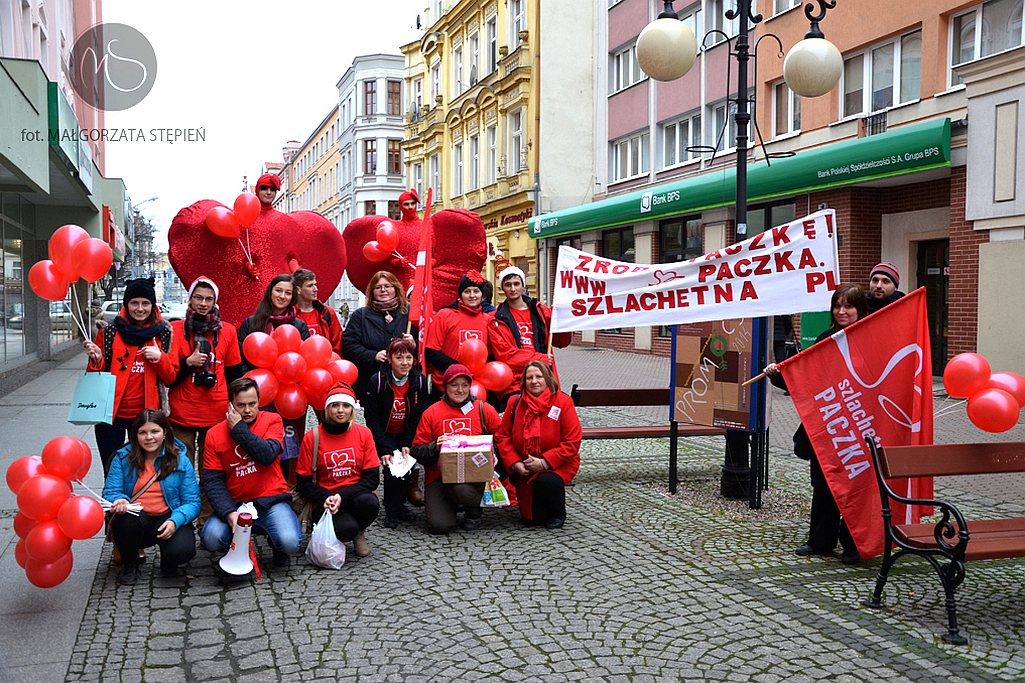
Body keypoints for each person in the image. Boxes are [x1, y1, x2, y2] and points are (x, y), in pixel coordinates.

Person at [764, 283, 867, 565]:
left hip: (859, 426)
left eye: (849, 306)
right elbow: (806, 377)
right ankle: (821, 541)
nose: (842, 311)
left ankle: (854, 543)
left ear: (860, 309)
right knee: (823, 483)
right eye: (838, 306)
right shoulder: (827, 338)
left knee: (856, 485)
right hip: (828, 424)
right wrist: (778, 374)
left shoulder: (869, 338)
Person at [201, 378, 301, 567]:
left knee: (289, 542)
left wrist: (239, 429)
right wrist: (229, 513)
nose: (247, 410)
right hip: (236, 503)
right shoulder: (214, 434)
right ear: (230, 404)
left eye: (252, 404)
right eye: (241, 405)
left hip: (270, 500)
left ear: (259, 401)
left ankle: (277, 547)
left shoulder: (273, 420)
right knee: (211, 538)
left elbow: (267, 455)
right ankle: (232, 548)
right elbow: (212, 481)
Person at [83, 278, 177, 474]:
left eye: (145, 303)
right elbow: (93, 377)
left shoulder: (164, 333)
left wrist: (159, 359)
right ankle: (114, 504)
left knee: (145, 472)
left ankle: (141, 505)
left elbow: (170, 377)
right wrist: (97, 359)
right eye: (134, 303)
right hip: (111, 416)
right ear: (126, 305)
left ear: (153, 305)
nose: (140, 308)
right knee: (112, 471)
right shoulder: (108, 332)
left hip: (146, 418)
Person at [102, 409, 200, 585]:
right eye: (143, 432)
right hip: (137, 517)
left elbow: (192, 502)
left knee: (183, 550)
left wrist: (175, 520)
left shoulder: (180, 459)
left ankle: (169, 564)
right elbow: (110, 492)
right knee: (125, 521)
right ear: (135, 435)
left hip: (168, 516)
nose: (149, 437)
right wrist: (120, 499)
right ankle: (130, 565)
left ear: (165, 433)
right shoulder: (123, 458)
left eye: (154, 431)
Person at [411, 364, 501, 534]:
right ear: (445, 387)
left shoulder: (484, 409)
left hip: (474, 477)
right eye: (454, 385)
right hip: (439, 478)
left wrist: (494, 453)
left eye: (465, 385)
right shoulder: (432, 412)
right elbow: (416, 450)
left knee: (461, 489)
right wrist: (434, 446)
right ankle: (450, 505)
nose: (460, 390)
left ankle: (473, 511)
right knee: (439, 526)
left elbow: (502, 439)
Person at [237, 274, 311, 480]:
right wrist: (251, 385)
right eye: (279, 290)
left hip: (289, 395)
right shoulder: (251, 323)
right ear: (270, 292)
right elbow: (240, 359)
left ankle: (286, 486)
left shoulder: (298, 326)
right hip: (257, 394)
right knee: (258, 442)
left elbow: (304, 360)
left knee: (288, 444)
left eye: (288, 292)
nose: (282, 296)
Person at [296, 383, 380, 558]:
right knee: (346, 529)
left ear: (352, 410)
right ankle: (345, 530)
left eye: (346, 406)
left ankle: (360, 532)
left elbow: (372, 479)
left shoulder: (363, 434)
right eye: (335, 405)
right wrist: (326, 497)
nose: (340, 410)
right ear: (327, 409)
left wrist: (342, 495)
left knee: (370, 503)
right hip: (325, 501)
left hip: (354, 495)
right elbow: (303, 482)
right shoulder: (312, 437)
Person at [495, 361, 581, 529]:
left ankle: (558, 512)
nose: (534, 381)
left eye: (539, 377)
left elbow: (572, 441)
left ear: (548, 379)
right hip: (524, 467)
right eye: (529, 377)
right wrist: (515, 463)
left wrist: (543, 463)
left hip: (557, 465)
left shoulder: (563, 402)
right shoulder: (515, 402)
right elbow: (502, 436)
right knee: (533, 520)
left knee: (547, 481)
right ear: (524, 381)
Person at [168, 277, 242, 471]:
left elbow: (234, 374)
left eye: (208, 299)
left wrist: (236, 407)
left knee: (212, 470)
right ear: (190, 299)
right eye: (198, 298)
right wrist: (189, 363)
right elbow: (168, 376)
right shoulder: (175, 330)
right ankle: (186, 502)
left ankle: (208, 502)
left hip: (216, 413)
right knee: (182, 469)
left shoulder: (228, 331)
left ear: (215, 302)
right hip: (182, 413)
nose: (203, 303)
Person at [363, 338, 430, 528]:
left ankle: (400, 506)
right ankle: (391, 510)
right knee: (392, 470)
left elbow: (419, 414)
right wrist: (383, 446)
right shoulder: (377, 381)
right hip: (385, 433)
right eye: (399, 357)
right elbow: (372, 417)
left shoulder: (418, 381)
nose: (404, 363)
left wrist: (408, 442)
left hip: (407, 432)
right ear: (390, 359)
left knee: (406, 470)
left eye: (409, 357)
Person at [488, 265, 572, 410]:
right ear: (502, 288)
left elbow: (562, 341)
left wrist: (562, 320)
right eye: (508, 285)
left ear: (523, 286)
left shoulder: (540, 310)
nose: (513, 289)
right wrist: (541, 358)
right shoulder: (496, 319)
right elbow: (506, 355)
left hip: (544, 377)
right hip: (514, 383)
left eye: (516, 284)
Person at [342, 270, 417, 398]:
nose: (383, 290)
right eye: (378, 287)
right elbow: (349, 345)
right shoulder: (361, 315)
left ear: (395, 288)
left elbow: (426, 343)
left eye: (387, 286)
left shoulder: (409, 312)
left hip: (404, 381)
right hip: (370, 380)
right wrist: (373, 356)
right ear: (372, 291)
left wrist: (414, 344)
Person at [425, 271, 493, 397]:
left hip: (476, 388)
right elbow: (431, 352)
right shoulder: (445, 315)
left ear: (482, 295)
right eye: (467, 291)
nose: (472, 295)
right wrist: (459, 369)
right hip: (444, 386)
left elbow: (490, 355)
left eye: (476, 291)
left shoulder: (488, 320)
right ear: (460, 295)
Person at [291, 268, 343, 355]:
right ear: (298, 290)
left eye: (315, 284)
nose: (316, 289)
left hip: (327, 364)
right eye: (310, 286)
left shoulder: (327, 313)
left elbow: (337, 345)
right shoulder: (290, 315)